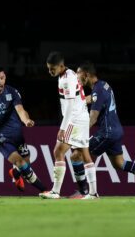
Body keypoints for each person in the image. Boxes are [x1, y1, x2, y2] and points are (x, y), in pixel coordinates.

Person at [70, 61, 135, 197]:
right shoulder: (104, 86)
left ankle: (86, 191)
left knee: (76, 155)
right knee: (119, 164)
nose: (77, 80)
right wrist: (80, 101)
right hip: (116, 130)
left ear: (86, 74)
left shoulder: (98, 89)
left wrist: (78, 135)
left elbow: (93, 118)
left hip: (107, 132)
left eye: (78, 75)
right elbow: (95, 98)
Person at [0, 68, 47, 193]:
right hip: (0, 137)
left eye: (2, 78)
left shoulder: (12, 92)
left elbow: (20, 110)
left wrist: (26, 121)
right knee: (20, 162)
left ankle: (15, 173)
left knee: (26, 162)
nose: (0, 82)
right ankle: (44, 190)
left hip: (16, 134)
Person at [39, 52, 99, 199]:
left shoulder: (66, 80)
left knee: (58, 151)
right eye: (48, 68)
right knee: (85, 155)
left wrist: (63, 128)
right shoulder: (69, 73)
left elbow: (71, 106)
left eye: (52, 68)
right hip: (81, 117)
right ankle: (93, 193)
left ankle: (56, 191)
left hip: (75, 119)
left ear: (60, 66)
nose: (50, 71)